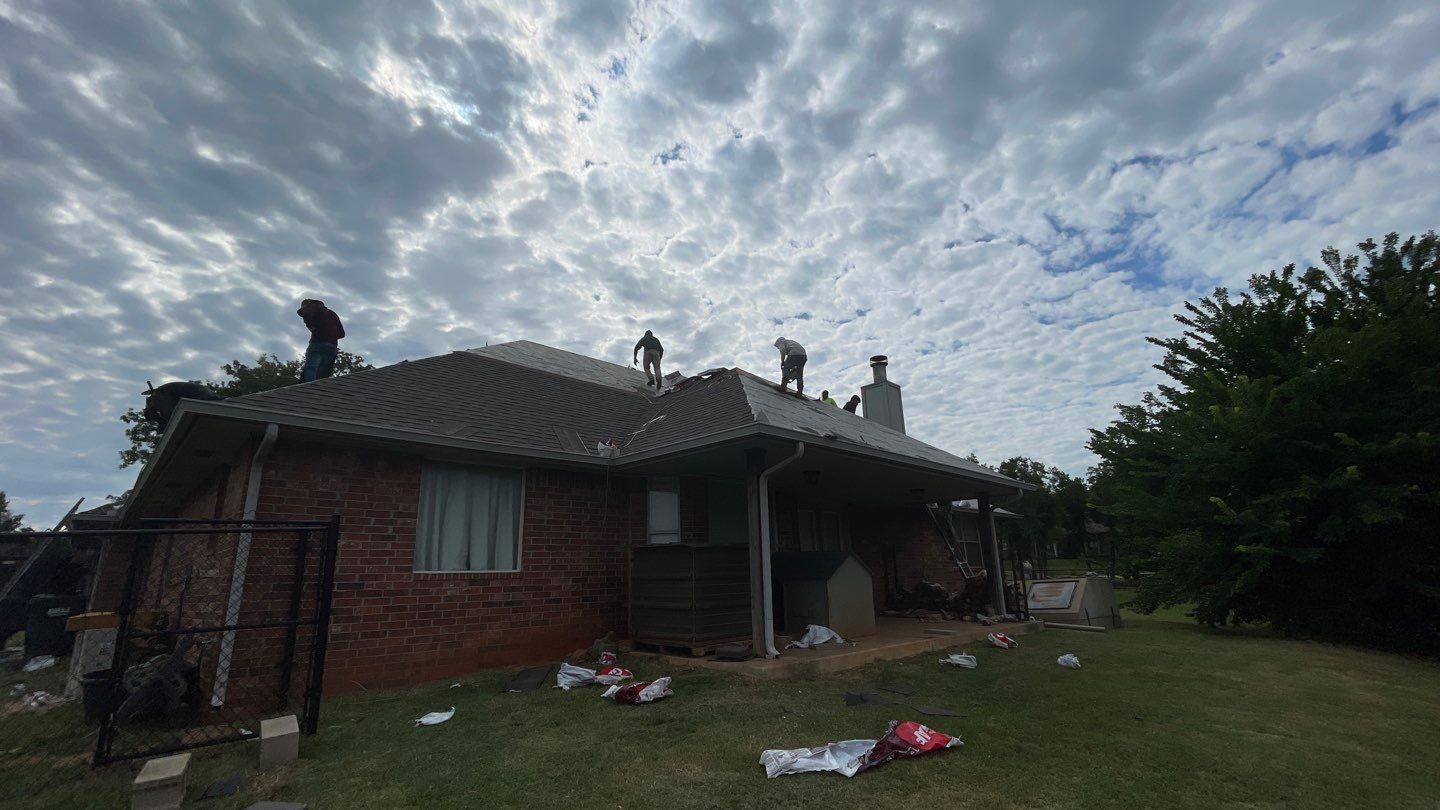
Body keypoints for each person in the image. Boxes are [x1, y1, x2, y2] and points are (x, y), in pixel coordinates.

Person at [297, 299, 345, 382]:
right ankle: (318, 389)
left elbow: (302, 312)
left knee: (311, 367)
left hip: (317, 342)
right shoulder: (332, 313)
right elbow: (342, 334)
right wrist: (331, 336)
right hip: (332, 346)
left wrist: (314, 329)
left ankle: (308, 387)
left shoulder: (310, 308)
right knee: (323, 372)